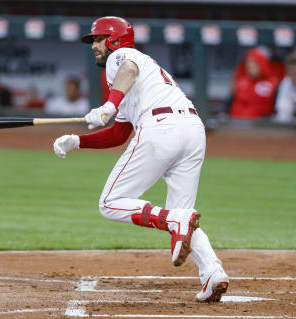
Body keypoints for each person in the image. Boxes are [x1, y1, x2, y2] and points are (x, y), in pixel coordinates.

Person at [52, 16, 229, 302]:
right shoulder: (141, 75)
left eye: (98, 39)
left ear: (115, 39)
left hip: (162, 128)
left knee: (110, 202)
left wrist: (109, 104)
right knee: (181, 216)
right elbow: (120, 133)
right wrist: (79, 141)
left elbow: (128, 69)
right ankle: (212, 272)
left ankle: (177, 221)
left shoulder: (123, 58)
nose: (94, 46)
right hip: (192, 129)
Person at [228, 48, 279, 120]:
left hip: (259, 127)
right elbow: (229, 100)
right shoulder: (240, 80)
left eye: (253, 62)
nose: (250, 66)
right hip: (235, 123)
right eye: (248, 62)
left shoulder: (272, 82)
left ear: (262, 63)